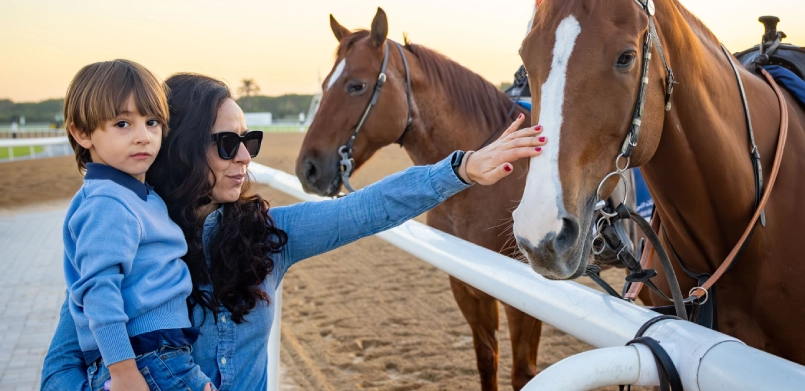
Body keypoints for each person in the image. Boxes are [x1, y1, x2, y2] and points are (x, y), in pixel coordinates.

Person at [43, 73, 547, 390]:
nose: (244, 157)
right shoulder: (123, 235)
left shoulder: (266, 237)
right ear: (180, 146)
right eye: (226, 143)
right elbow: (63, 363)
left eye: (250, 141)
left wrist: (459, 169)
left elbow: (366, 209)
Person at [61, 61, 213, 391]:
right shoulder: (107, 202)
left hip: (160, 355)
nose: (143, 137)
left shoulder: (137, 195)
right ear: (82, 133)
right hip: (144, 357)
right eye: (122, 123)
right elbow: (99, 290)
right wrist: (123, 372)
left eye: (152, 122)